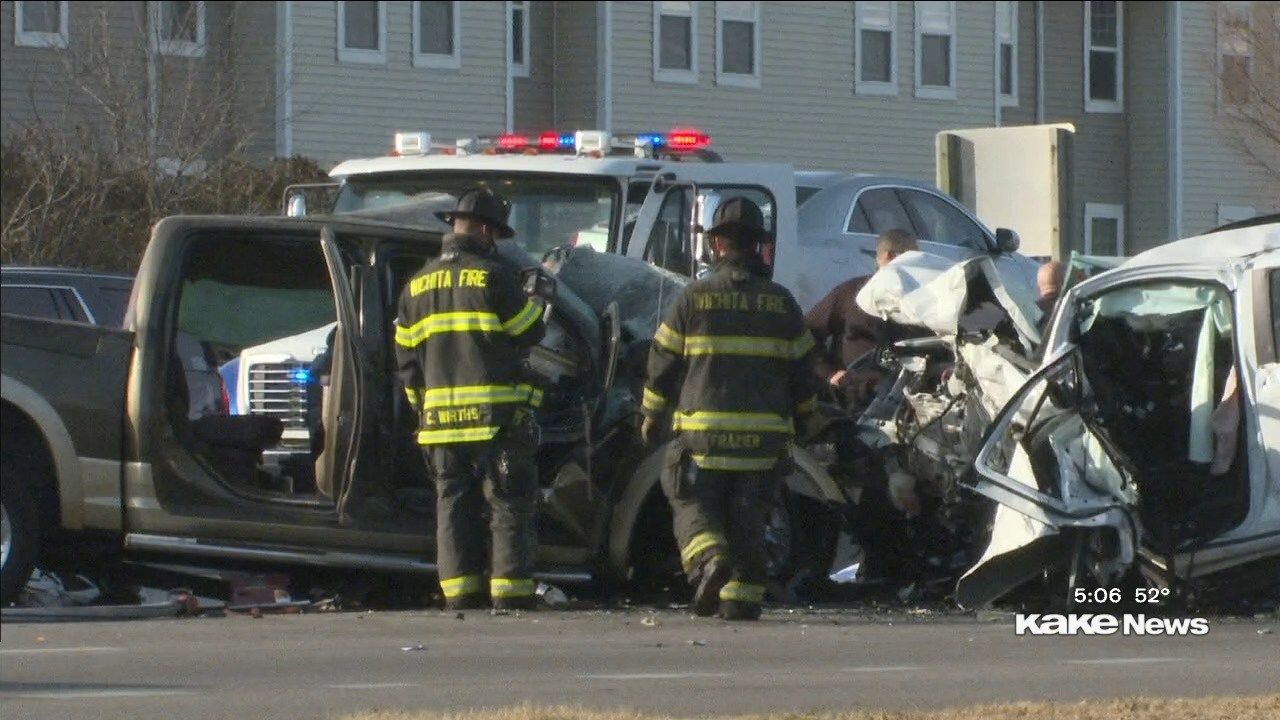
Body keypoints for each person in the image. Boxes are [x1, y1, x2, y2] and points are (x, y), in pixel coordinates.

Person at [640, 197, 821, 621]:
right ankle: (742, 598)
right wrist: (807, 420)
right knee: (748, 516)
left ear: (717, 245)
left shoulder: (693, 298)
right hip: (763, 441)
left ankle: (709, 558)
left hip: (703, 435)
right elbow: (804, 374)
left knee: (689, 501)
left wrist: (651, 414)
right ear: (759, 247)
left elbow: (662, 361)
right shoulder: (782, 303)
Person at [394, 187, 547, 611]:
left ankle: (460, 594)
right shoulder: (493, 277)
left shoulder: (416, 285)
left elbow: (406, 361)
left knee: (453, 504)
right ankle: (510, 594)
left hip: (439, 422)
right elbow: (530, 333)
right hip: (495, 418)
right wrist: (535, 301)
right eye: (494, 235)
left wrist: (422, 408)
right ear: (484, 230)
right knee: (507, 501)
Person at [804, 229, 920, 406]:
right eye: (913, 258)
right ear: (889, 257)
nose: (918, 266)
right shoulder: (852, 293)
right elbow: (805, 332)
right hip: (856, 398)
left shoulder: (923, 299)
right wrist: (829, 373)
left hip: (911, 398)